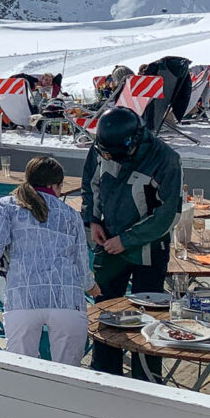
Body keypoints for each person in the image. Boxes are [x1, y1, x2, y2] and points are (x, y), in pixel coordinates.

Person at [81, 106, 181, 379]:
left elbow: (167, 214)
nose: (111, 158)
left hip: (149, 251)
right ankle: (104, 376)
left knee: (149, 319)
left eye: (117, 154)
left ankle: (147, 381)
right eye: (107, 153)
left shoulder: (167, 159)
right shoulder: (102, 146)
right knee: (105, 312)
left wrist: (126, 240)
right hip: (109, 245)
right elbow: (90, 184)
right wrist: (93, 220)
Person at [0, 157, 100, 366]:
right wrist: (93, 289)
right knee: (69, 373)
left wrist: (6, 265)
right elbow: (81, 265)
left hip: (22, 296)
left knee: (21, 370)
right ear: (56, 186)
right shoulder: (71, 215)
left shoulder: (6, 206)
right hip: (66, 299)